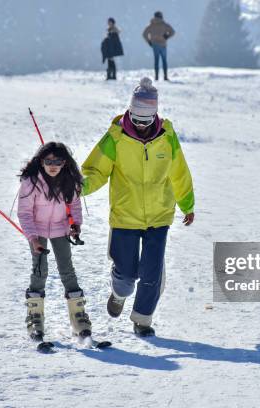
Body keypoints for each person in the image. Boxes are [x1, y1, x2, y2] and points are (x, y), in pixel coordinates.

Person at [81, 77, 195, 337]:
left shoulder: (167, 137)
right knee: (126, 272)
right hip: (125, 216)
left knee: (152, 272)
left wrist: (187, 203)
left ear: (155, 115)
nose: (141, 126)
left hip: (159, 215)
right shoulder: (116, 138)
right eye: (136, 120)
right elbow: (95, 170)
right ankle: (119, 293)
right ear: (129, 113)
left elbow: (179, 173)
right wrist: (81, 186)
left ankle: (143, 320)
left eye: (146, 121)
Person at [17, 142, 91, 341]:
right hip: (37, 230)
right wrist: (32, 238)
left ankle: (79, 317)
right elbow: (24, 213)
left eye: (57, 161)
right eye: (48, 161)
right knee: (40, 269)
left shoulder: (70, 181)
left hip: (60, 229)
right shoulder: (31, 182)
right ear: (41, 162)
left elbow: (74, 205)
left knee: (67, 269)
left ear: (64, 163)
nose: (53, 165)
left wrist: (75, 224)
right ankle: (34, 317)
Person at [142, 11, 175, 81]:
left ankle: (156, 77)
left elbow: (144, 34)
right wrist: (166, 36)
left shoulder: (151, 25)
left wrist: (149, 41)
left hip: (155, 45)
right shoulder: (164, 24)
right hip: (163, 44)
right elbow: (173, 32)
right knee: (164, 61)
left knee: (156, 60)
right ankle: (165, 76)